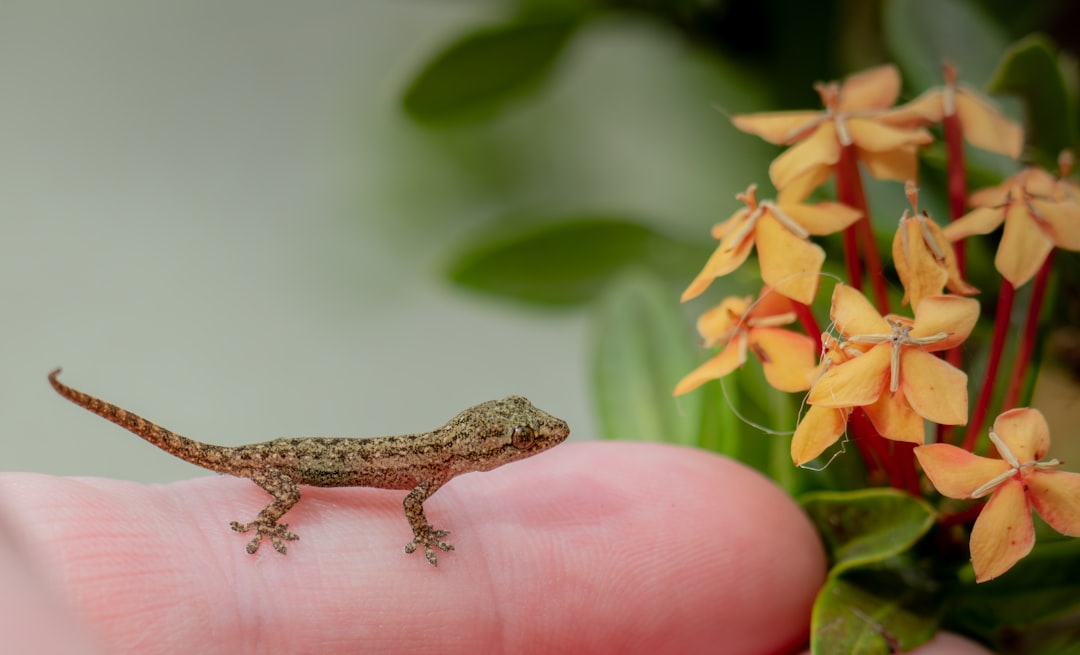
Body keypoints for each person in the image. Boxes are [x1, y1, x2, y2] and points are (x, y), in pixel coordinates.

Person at [0, 441, 990, 654]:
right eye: (524, 442)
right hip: (285, 470)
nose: (537, 446)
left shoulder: (440, 462)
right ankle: (264, 516)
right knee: (278, 500)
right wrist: (272, 510)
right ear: (489, 448)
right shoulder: (430, 479)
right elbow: (419, 515)